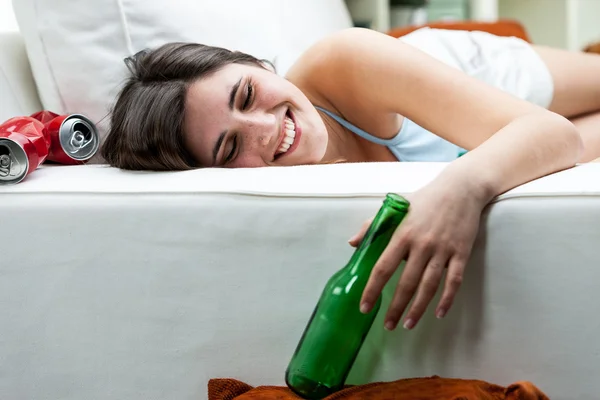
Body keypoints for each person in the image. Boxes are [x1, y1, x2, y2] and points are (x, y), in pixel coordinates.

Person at [101, 27, 600, 331]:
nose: (266, 127)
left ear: (256, 64)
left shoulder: (345, 61)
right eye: (230, 147)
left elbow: (550, 134)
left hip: (481, 82)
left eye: (248, 93)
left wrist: (459, 186)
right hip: (499, 139)